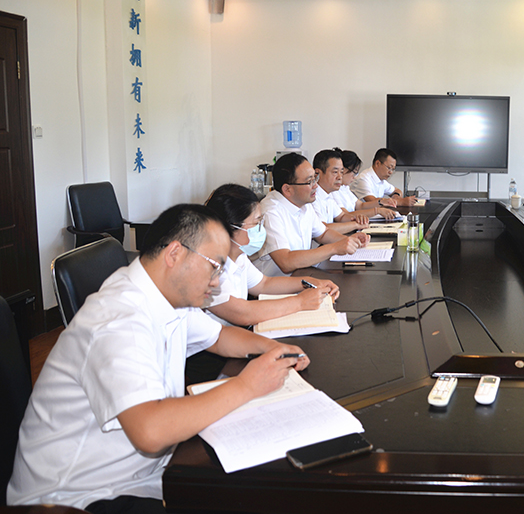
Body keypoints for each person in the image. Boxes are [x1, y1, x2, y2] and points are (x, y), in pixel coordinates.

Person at [7, 204, 308, 513]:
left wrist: (274, 349)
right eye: (214, 267)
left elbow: (219, 337)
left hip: (141, 473)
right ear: (175, 254)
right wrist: (247, 385)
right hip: (76, 497)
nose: (217, 282)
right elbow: (150, 432)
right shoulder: (117, 318)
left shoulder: (167, 295)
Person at [204, 183, 340, 327]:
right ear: (230, 227)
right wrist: (300, 302)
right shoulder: (209, 268)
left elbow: (264, 284)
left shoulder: (239, 256)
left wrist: (309, 282)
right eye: (256, 223)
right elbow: (244, 313)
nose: (260, 228)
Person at [254, 152, 370, 277]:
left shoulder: (303, 203)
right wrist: (334, 248)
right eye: (309, 181)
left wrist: (349, 241)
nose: (315, 185)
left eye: (315, 179)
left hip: (300, 276)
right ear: (287, 189)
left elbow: (323, 233)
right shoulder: (271, 212)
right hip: (275, 285)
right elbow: (286, 262)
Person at [312, 148, 398, 234]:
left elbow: (342, 216)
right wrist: (356, 224)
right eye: (335, 172)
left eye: (341, 172)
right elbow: (323, 229)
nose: (340, 177)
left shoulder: (329, 194)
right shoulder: (313, 197)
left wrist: (358, 219)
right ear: (317, 173)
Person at [331, 148, 396, 213]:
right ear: (343, 169)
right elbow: (345, 215)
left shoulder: (345, 187)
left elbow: (360, 205)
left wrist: (381, 202)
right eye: (354, 172)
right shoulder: (333, 190)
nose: (355, 177)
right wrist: (376, 211)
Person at [349, 148, 416, 206]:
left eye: (393, 169)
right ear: (377, 164)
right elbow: (372, 201)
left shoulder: (381, 180)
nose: (391, 172)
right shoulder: (363, 179)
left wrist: (396, 196)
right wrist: (400, 202)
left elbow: (397, 191)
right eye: (389, 168)